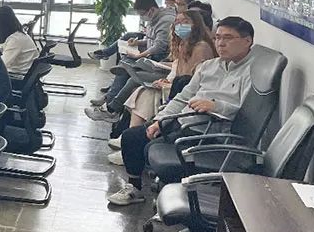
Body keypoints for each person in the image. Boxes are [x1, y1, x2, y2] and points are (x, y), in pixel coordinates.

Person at [106, 16, 255, 206]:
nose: (220, 43)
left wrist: (216, 106)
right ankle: (134, 188)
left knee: (150, 145)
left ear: (247, 40)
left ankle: (175, 198)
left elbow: (245, 111)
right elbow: (183, 97)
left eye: (228, 38)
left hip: (209, 131)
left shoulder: (251, 73)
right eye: (218, 37)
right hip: (184, 120)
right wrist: (160, 120)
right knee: (132, 136)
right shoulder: (209, 66)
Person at [106, 9, 217, 157]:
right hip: (177, 87)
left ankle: (130, 141)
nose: (180, 26)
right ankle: (129, 139)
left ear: (196, 25)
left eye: (185, 22)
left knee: (144, 93)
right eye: (177, 22)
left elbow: (192, 82)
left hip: (188, 95)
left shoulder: (201, 47)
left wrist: (168, 85)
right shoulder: (183, 44)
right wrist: (167, 81)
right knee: (142, 90)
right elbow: (179, 75)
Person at [86, 0, 175, 122]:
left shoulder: (166, 21)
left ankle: (110, 106)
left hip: (159, 59)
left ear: (151, 10)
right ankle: (110, 102)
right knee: (125, 62)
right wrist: (138, 43)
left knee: (129, 70)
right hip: (153, 56)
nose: (142, 17)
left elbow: (160, 46)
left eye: (142, 14)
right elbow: (151, 40)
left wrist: (139, 55)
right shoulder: (155, 18)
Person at [0, 5, 39, 77]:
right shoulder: (19, 35)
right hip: (24, 72)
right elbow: (5, 48)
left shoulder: (15, 40)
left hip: (17, 76)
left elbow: (1, 65)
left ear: (2, 24)